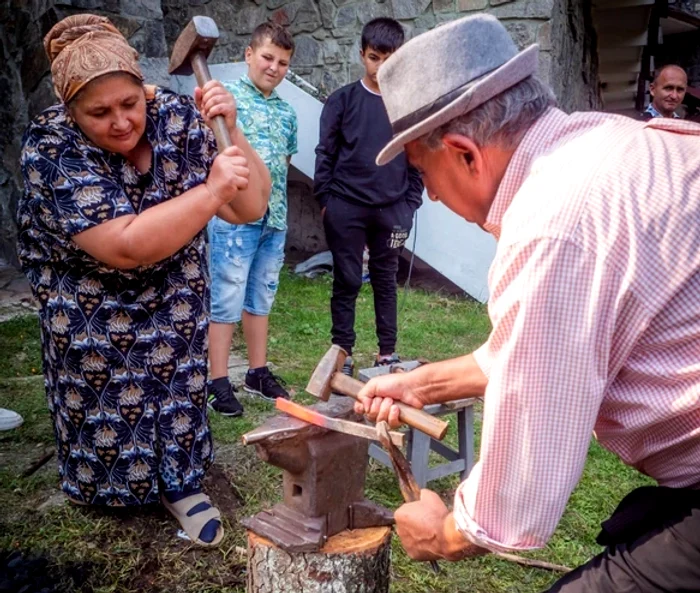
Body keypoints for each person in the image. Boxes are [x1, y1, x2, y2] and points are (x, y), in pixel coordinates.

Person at [356, 14, 700, 591]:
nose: (432, 196)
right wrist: (423, 385)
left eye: (425, 173)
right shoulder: (601, 142)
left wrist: (442, 532)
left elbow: (522, 484)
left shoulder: (551, 224)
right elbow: (540, 346)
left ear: (466, 153)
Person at [17, 14, 270, 547]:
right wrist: (209, 193)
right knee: (105, 409)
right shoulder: (51, 148)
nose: (120, 122)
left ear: (144, 88)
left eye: (129, 104)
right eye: (99, 113)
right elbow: (125, 246)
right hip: (91, 310)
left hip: (175, 300)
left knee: (177, 397)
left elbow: (250, 205)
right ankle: (102, 487)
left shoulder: (176, 118)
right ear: (70, 111)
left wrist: (232, 127)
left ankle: (180, 484)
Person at [314, 18, 423, 376]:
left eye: (389, 60)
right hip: (346, 206)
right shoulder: (342, 101)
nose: (380, 67)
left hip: (393, 210)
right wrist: (326, 201)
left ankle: (386, 353)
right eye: (374, 58)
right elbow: (325, 153)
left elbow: (418, 158)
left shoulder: (410, 105)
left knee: (385, 278)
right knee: (346, 280)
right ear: (363, 54)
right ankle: (341, 353)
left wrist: (410, 205)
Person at [207, 22, 297, 413]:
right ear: (248, 54)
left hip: (273, 219)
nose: (274, 67)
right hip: (234, 218)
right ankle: (217, 381)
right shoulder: (227, 102)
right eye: (267, 57)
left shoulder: (288, 112)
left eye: (283, 62)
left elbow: (284, 165)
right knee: (226, 297)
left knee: (260, 297)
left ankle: (257, 372)